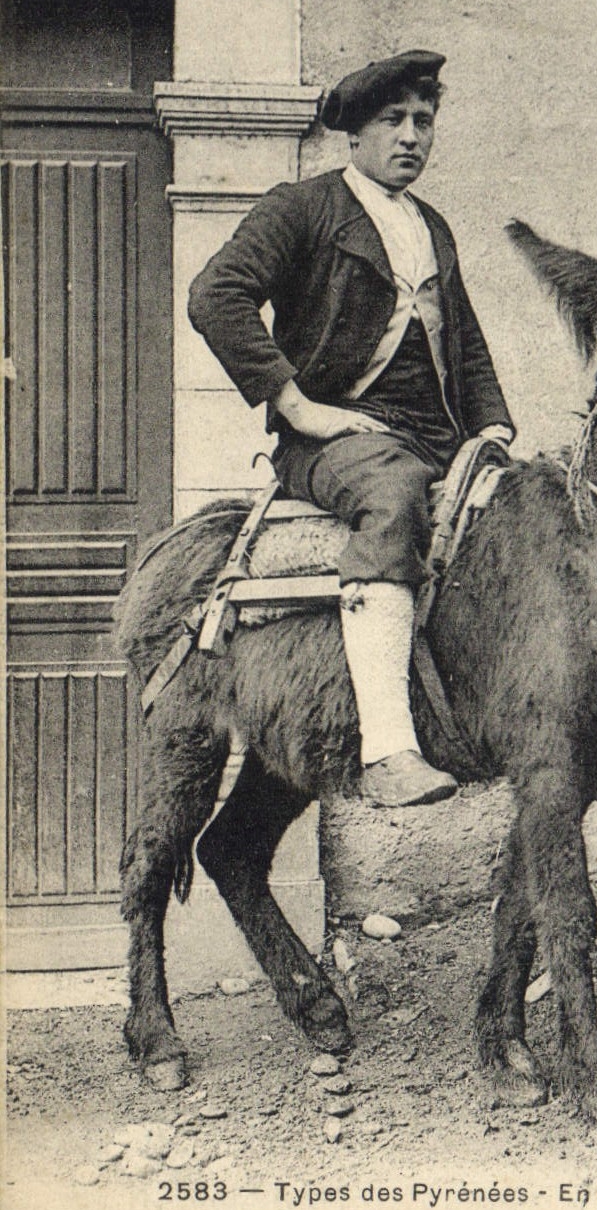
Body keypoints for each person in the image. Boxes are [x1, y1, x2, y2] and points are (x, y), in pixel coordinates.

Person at [188, 50, 514, 807]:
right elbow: (216, 296)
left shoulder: (430, 225)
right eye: (392, 121)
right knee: (394, 496)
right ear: (354, 135)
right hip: (335, 445)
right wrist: (296, 405)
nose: (410, 137)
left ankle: (541, 730)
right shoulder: (301, 208)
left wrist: (492, 426)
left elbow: (462, 339)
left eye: (423, 122)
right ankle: (390, 750)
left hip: (433, 434)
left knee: (529, 510)